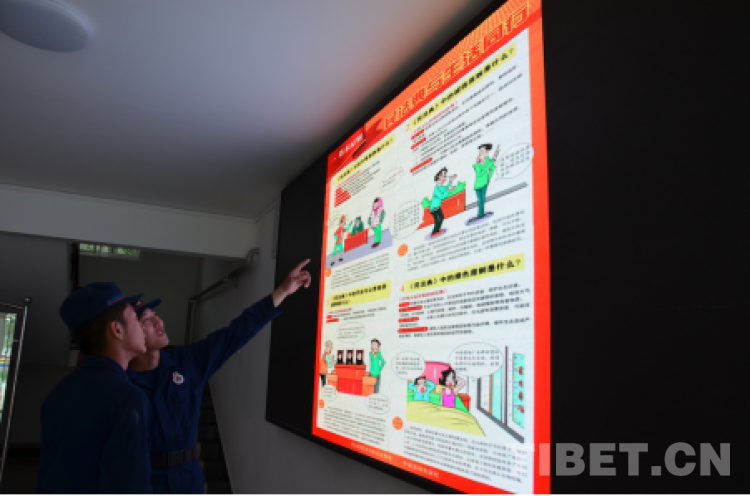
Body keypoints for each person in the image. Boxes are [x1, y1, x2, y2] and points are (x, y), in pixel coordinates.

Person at [127, 260, 311, 494]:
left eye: (156, 315)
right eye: (146, 319)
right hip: (146, 482)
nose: (158, 322)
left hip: (188, 481)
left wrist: (283, 290)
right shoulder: (119, 381)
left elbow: (236, 332)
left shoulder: (186, 362)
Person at [38, 282, 152, 494]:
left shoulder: (60, 392)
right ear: (116, 329)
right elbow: (130, 484)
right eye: (136, 319)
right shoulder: (127, 398)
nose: (143, 327)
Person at [470, 143, 500, 222]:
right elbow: (480, 173)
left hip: (484, 184)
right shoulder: (477, 163)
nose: (480, 153)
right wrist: (492, 161)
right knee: (480, 200)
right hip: (477, 185)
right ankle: (481, 214)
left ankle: (481, 215)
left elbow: (492, 168)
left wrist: (488, 177)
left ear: (487, 152)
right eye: (480, 152)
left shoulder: (488, 161)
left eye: (482, 151)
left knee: (482, 199)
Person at [428, 167, 457, 238]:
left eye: (445, 175)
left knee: (441, 218)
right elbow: (442, 196)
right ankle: (434, 232)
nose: (444, 178)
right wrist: (448, 190)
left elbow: (446, 188)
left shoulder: (441, 187)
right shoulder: (437, 188)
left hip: (437, 207)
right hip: (434, 208)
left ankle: (437, 230)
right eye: (442, 176)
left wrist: (450, 182)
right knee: (438, 219)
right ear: (438, 178)